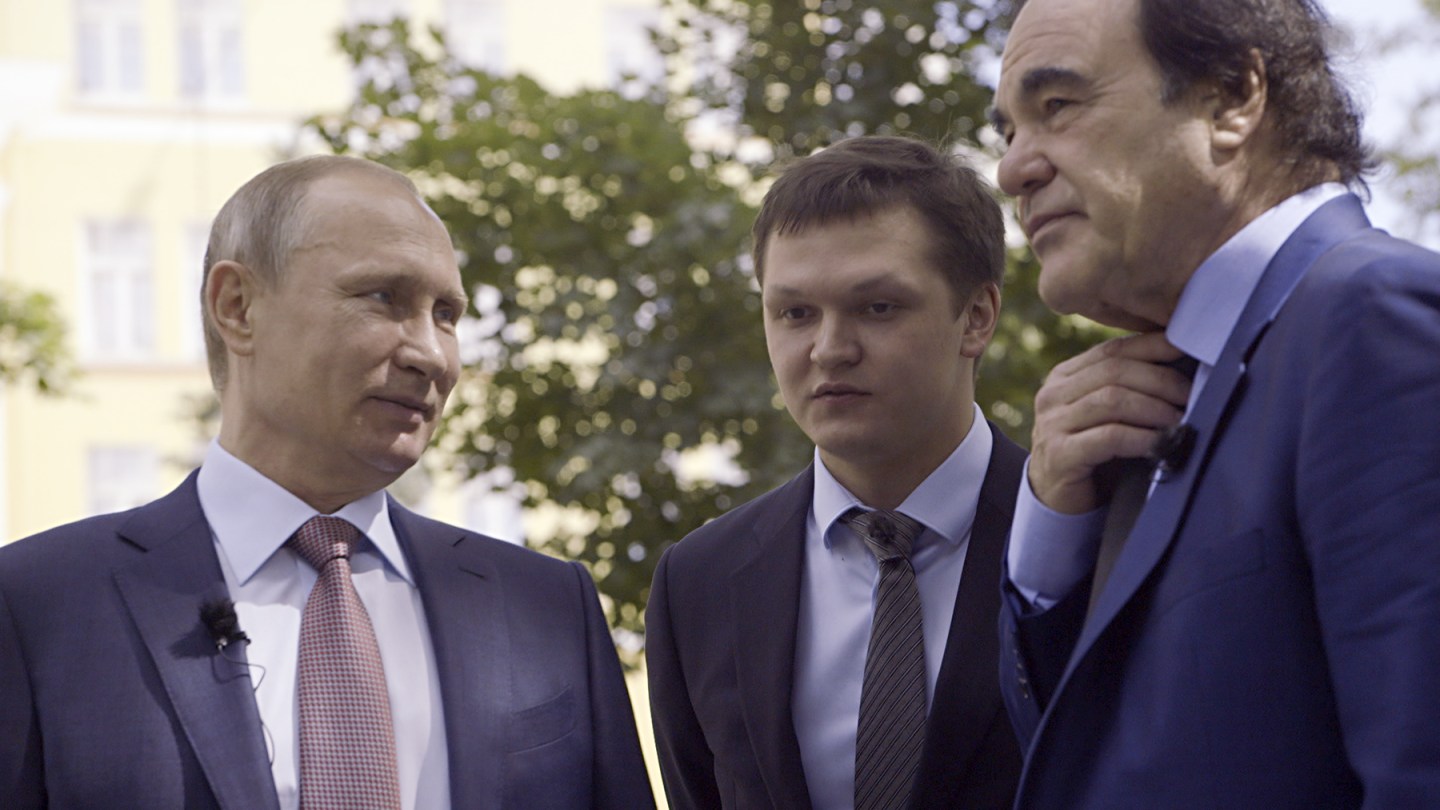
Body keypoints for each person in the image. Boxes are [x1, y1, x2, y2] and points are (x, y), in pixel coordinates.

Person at [0, 155, 654, 809]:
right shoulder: (37, 605)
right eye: (384, 298)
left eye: (447, 314)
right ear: (238, 308)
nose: (431, 354)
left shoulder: (546, 607)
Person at [989, 0, 1440, 805]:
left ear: (1232, 97)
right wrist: (1053, 534)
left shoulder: (1376, 320)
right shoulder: (1156, 398)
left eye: (1057, 105)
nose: (1012, 170)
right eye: (1007, 132)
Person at [646, 135, 1024, 809]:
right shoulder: (697, 583)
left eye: (877, 307)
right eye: (796, 313)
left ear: (976, 317)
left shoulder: (1095, 538)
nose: (829, 349)